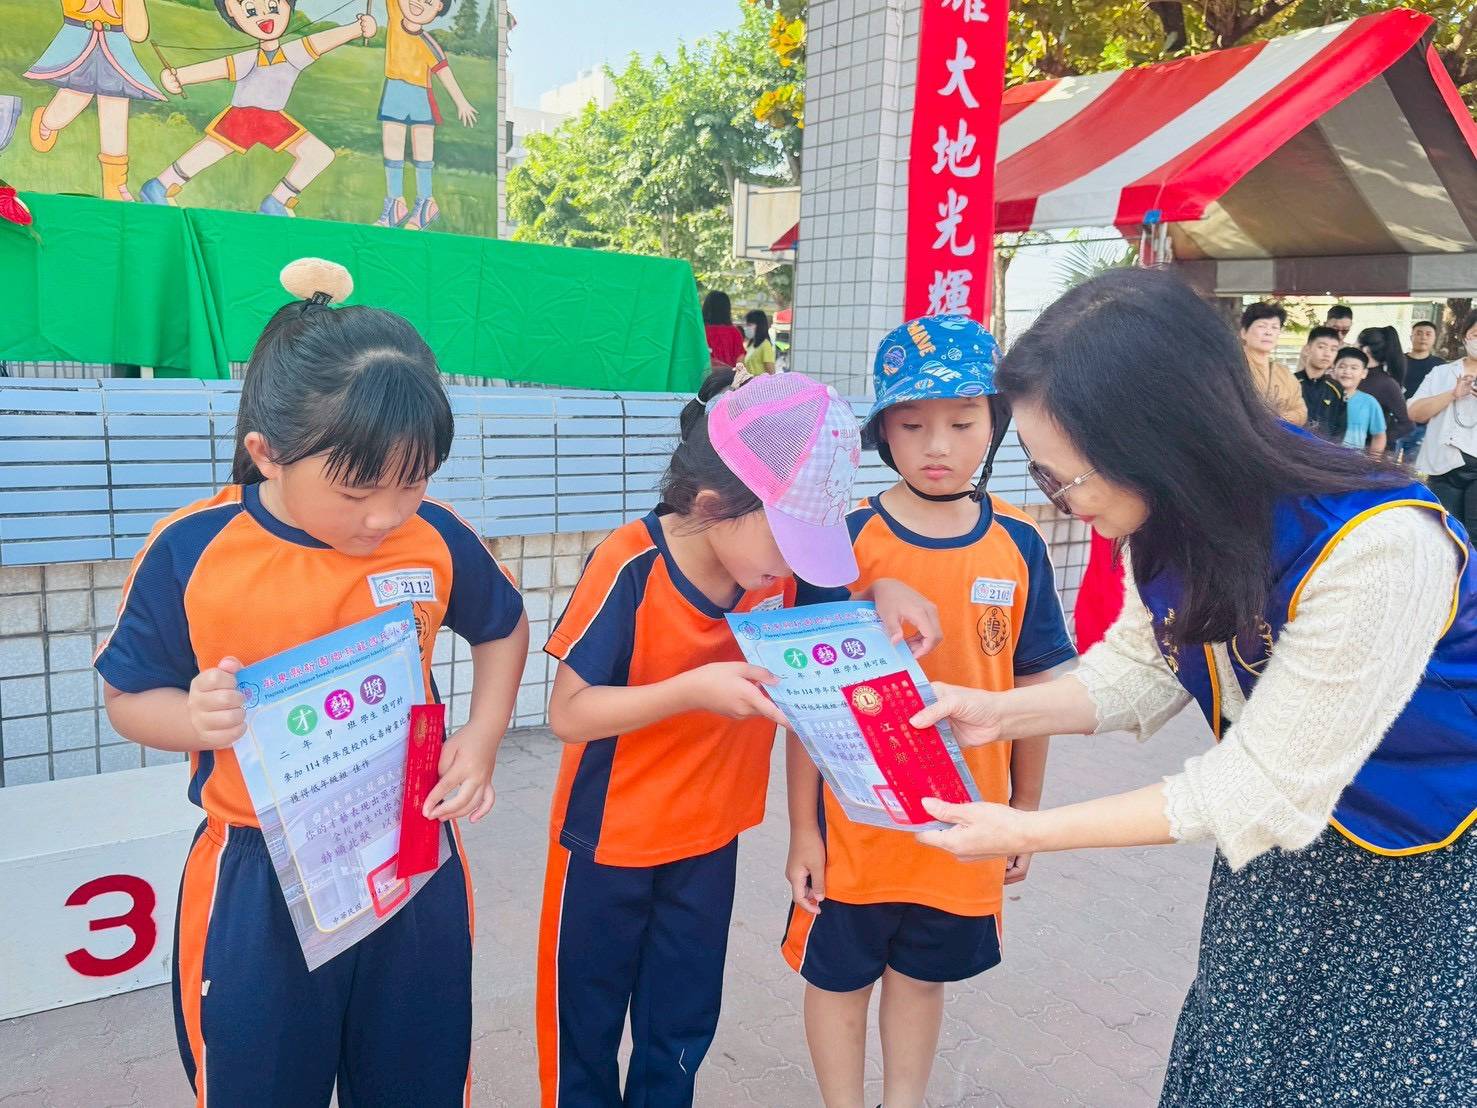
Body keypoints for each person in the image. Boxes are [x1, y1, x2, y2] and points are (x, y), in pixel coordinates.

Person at [904, 267, 1476, 1108]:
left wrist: (1027, 830)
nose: (1057, 500)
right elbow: (1143, 665)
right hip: (1280, 856)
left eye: (1064, 479)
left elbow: (1258, 786)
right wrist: (996, 711)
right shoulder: (1175, 511)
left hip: (1412, 867)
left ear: (1154, 441)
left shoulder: (1379, 548)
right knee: (1238, 1058)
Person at [93, 258, 529, 1106]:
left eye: (414, 481)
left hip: (410, 854)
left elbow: (502, 627)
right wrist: (192, 718)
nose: (386, 515)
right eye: (358, 488)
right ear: (268, 455)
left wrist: (481, 739)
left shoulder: (435, 537)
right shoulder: (192, 551)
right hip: (257, 874)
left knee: (418, 1081)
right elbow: (128, 699)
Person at [535, 370, 940, 1108]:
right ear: (710, 504)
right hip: (607, 845)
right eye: (786, 542)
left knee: (680, 1027)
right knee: (583, 1032)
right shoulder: (630, 564)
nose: (792, 567)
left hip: (709, 840)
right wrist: (691, 691)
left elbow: (833, 621)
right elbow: (569, 713)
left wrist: (882, 592)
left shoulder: (773, 574)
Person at [781, 316, 1076, 1108]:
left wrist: (1024, 810)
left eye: (962, 422)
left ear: (996, 423)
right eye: (911, 425)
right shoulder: (842, 543)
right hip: (856, 828)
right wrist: (803, 829)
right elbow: (807, 705)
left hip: (964, 824)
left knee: (919, 977)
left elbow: (1035, 689)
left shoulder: (1019, 542)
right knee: (839, 980)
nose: (936, 445)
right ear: (882, 432)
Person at [139, 0, 374, 216]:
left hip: (272, 120)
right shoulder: (249, 59)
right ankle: (159, 186)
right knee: (207, 153)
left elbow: (321, 41)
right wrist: (179, 77)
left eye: (273, 7)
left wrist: (357, 28)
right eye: (250, 10)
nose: (264, 16)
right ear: (232, 11)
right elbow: (218, 67)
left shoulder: (294, 52)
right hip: (243, 117)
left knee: (318, 154)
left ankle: (277, 202)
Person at [25, 0, 163, 200]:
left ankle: (115, 183)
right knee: (73, 99)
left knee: (115, 109)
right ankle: (48, 120)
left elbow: (138, 32)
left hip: (115, 45)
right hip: (79, 39)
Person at [375, 0, 478, 230]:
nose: (418, 3)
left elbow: (443, 71)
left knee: (422, 152)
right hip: (394, 91)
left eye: (429, 1)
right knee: (392, 150)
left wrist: (461, 102)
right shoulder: (395, 15)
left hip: (420, 95)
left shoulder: (428, 43)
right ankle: (395, 202)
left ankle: (426, 203)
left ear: (438, 7)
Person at [1409, 308, 1477, 532]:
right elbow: (1415, 413)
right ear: (1465, 336)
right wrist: (1452, 394)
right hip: (1444, 468)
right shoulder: (1441, 373)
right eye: (1476, 334)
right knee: (1445, 533)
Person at [1239, 303, 1306, 425]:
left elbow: (1301, 412)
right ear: (1244, 332)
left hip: (1276, 435)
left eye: (1274, 327)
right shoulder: (1233, 368)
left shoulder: (1285, 374)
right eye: (1262, 326)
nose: (1268, 332)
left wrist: (1279, 418)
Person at [1355, 326, 1413, 448]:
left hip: (1369, 453)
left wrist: (1377, 439)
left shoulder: (1387, 384)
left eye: (1356, 344)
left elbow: (1406, 425)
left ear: (1365, 350)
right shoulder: (1354, 376)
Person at [1293, 326, 1345, 441]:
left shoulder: (1336, 389)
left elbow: (1340, 430)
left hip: (1324, 450)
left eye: (1333, 349)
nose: (1327, 354)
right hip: (1292, 446)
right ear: (1307, 349)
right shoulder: (1290, 382)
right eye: (1321, 347)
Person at [1331, 346, 1386, 455]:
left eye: (1354, 368)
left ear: (1364, 373)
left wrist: (1373, 459)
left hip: (1353, 461)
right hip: (1322, 458)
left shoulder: (1369, 402)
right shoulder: (1324, 396)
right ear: (1333, 370)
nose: (1347, 371)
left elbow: (1379, 436)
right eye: (1342, 366)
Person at [702, 290, 747, 369]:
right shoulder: (735, 333)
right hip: (729, 376)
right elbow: (740, 363)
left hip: (704, 376)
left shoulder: (701, 332)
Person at [1406, 320, 1444, 398]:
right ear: (1411, 337)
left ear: (1434, 339)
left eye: (1428, 334)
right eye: (1419, 334)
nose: (1423, 337)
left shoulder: (1440, 365)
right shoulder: (1397, 360)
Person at [743, 309, 777, 374]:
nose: (746, 328)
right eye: (746, 325)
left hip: (759, 380)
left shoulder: (765, 345)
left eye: (749, 325)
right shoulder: (751, 344)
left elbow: (771, 372)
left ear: (759, 325)